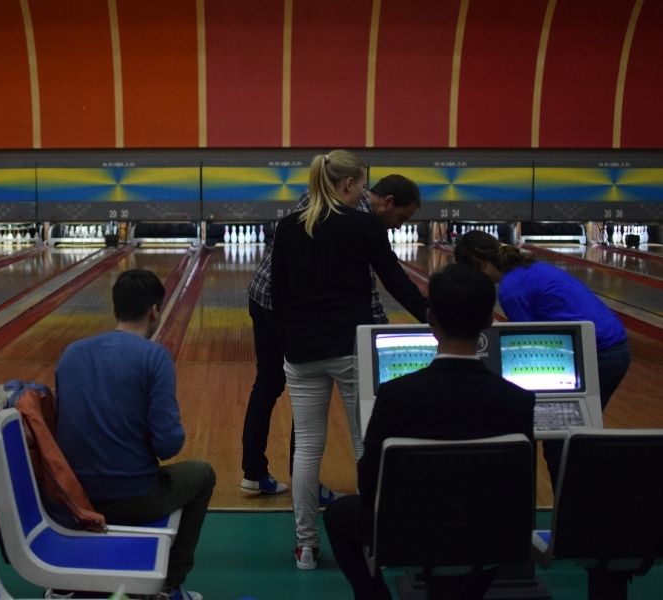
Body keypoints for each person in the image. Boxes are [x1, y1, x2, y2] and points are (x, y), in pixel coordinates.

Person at [324, 263, 536, 599]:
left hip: (408, 532)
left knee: (340, 515)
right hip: (489, 535)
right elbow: (520, 487)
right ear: (489, 322)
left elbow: (369, 481)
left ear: (431, 321)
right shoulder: (518, 400)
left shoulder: (396, 396)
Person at [270, 151, 429, 569]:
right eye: (361, 186)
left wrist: (290, 343)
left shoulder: (287, 227)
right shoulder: (365, 227)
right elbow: (395, 280)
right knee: (364, 444)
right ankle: (367, 537)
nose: (365, 194)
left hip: (302, 353)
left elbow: (278, 296)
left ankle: (305, 546)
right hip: (351, 348)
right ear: (346, 186)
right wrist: (434, 318)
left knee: (307, 449)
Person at [241, 173, 423, 499]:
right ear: (389, 202)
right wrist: (426, 323)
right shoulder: (359, 222)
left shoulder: (326, 195)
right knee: (308, 386)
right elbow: (370, 292)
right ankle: (307, 488)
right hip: (288, 305)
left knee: (269, 383)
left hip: (263, 295)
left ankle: (254, 474)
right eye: (402, 219)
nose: (398, 227)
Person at [53, 269, 215, 600]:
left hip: (73, 497)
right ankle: (168, 585)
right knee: (202, 475)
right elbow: (168, 445)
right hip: (131, 497)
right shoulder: (154, 357)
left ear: (115, 307)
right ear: (155, 311)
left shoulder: (72, 353)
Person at [454, 229, 631, 489]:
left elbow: (528, 348)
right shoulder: (530, 268)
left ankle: (574, 511)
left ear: (479, 265)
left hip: (600, 354)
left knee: (561, 440)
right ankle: (585, 504)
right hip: (614, 347)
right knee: (575, 436)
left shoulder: (511, 290)